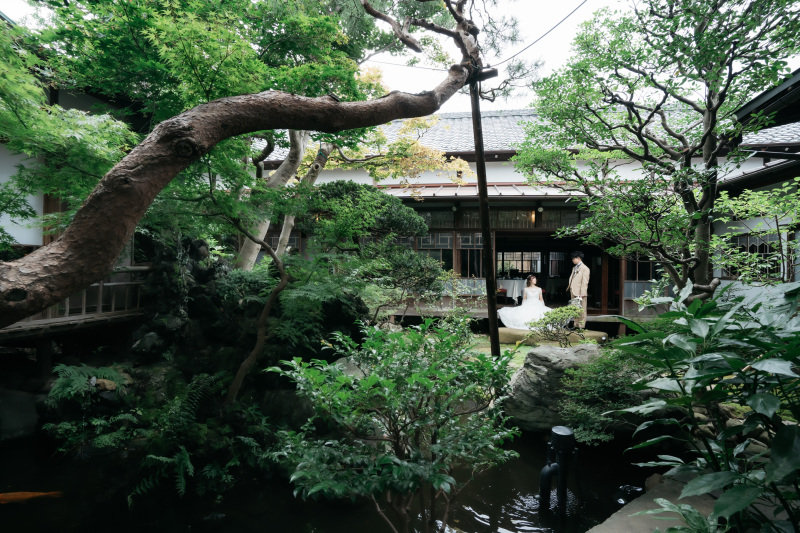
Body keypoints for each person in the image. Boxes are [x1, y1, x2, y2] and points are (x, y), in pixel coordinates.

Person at [567, 251, 590, 329]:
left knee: (582, 310)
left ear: (578, 258)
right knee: (575, 309)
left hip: (580, 292)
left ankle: (581, 326)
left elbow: (585, 282)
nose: (572, 260)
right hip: (573, 291)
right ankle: (575, 325)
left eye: (573, 258)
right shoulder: (574, 267)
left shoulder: (585, 268)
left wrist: (583, 293)